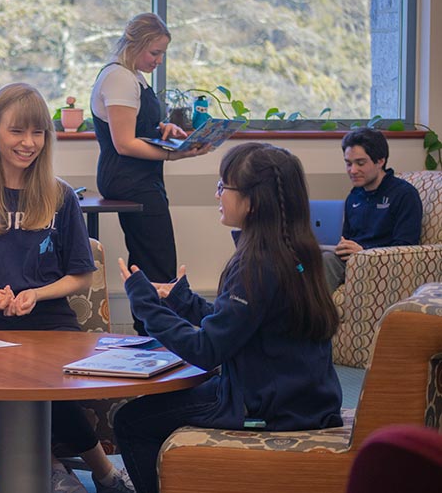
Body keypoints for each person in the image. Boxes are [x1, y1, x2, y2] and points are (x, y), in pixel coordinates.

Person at [0, 83, 134, 493]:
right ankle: (53, 466)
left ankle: (102, 472)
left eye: (38, 133)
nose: (29, 143)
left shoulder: (60, 196)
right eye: (17, 132)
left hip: (53, 323)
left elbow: (82, 275)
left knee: (48, 381)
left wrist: (37, 294)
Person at [114, 142, 343, 493]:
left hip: (265, 408)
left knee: (131, 421)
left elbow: (207, 349)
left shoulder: (255, 262)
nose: (217, 194)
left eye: (224, 186)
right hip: (308, 400)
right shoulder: (297, 250)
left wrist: (145, 304)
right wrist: (182, 300)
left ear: (252, 201)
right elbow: (243, 323)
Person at [91, 12, 211, 334]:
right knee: (157, 263)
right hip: (129, 177)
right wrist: (176, 155)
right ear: (134, 45)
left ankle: (153, 332)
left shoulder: (135, 77)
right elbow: (125, 143)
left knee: (154, 259)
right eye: (154, 52)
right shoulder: (118, 78)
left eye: (162, 54)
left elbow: (137, 126)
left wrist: (163, 128)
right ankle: (156, 337)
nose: (158, 60)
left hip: (142, 178)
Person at [321, 127, 422, 291]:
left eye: (360, 163)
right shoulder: (354, 196)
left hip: (381, 266)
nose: (353, 170)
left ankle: (312, 316)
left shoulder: (404, 194)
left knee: (327, 261)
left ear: (380, 161)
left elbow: (406, 248)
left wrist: (365, 251)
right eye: (348, 163)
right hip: (351, 263)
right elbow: (347, 239)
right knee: (305, 259)